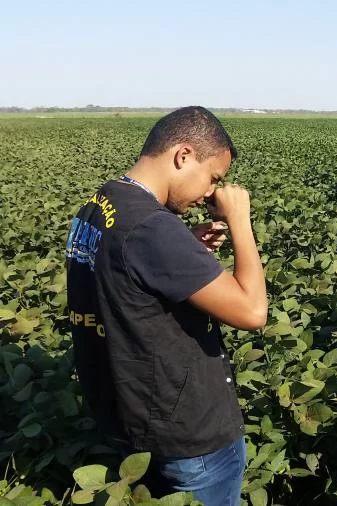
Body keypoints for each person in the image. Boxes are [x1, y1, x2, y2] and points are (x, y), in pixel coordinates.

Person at [65, 106, 268, 505]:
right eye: (213, 178)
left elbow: (124, 276)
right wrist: (240, 222)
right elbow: (252, 312)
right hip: (189, 438)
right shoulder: (152, 227)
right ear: (183, 155)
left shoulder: (102, 202)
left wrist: (184, 246)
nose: (210, 192)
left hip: (132, 422)